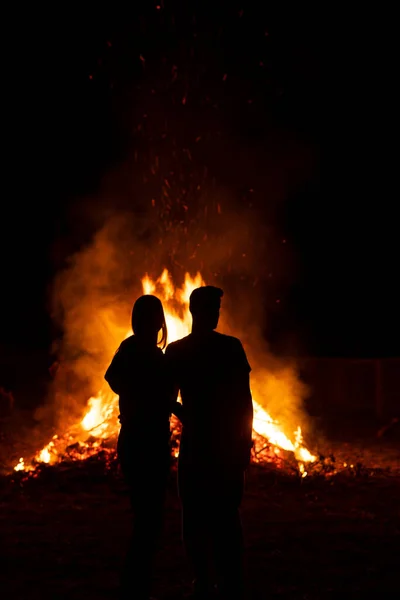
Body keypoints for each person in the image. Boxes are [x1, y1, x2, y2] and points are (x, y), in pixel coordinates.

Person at [165, 286, 253, 600]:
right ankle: (215, 581)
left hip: (208, 445)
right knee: (215, 516)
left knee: (209, 516)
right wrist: (242, 440)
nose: (216, 314)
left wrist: (188, 416)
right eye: (212, 308)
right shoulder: (228, 348)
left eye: (218, 308)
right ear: (196, 311)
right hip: (216, 445)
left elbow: (244, 400)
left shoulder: (181, 351)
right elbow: (244, 400)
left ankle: (215, 581)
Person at [105, 294, 171, 600]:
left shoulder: (132, 350)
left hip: (134, 438)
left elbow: (113, 378)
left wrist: (133, 397)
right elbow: (162, 397)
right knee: (150, 516)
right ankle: (135, 581)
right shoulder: (148, 354)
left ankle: (136, 579)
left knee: (146, 514)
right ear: (156, 321)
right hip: (148, 440)